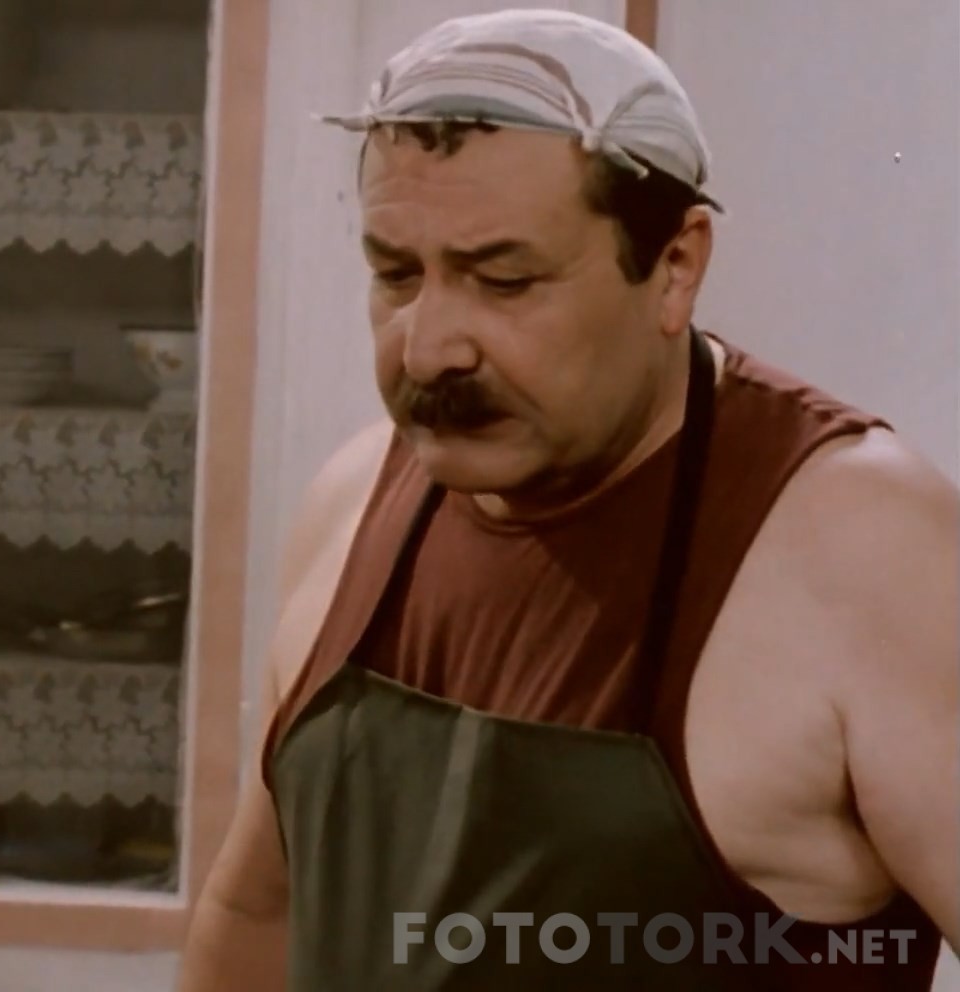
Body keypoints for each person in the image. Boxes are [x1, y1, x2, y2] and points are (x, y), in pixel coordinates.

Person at [181, 9, 956, 991]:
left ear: (675, 268)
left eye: (504, 280)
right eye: (396, 275)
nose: (429, 348)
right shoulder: (357, 497)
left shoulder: (864, 546)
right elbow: (259, 911)